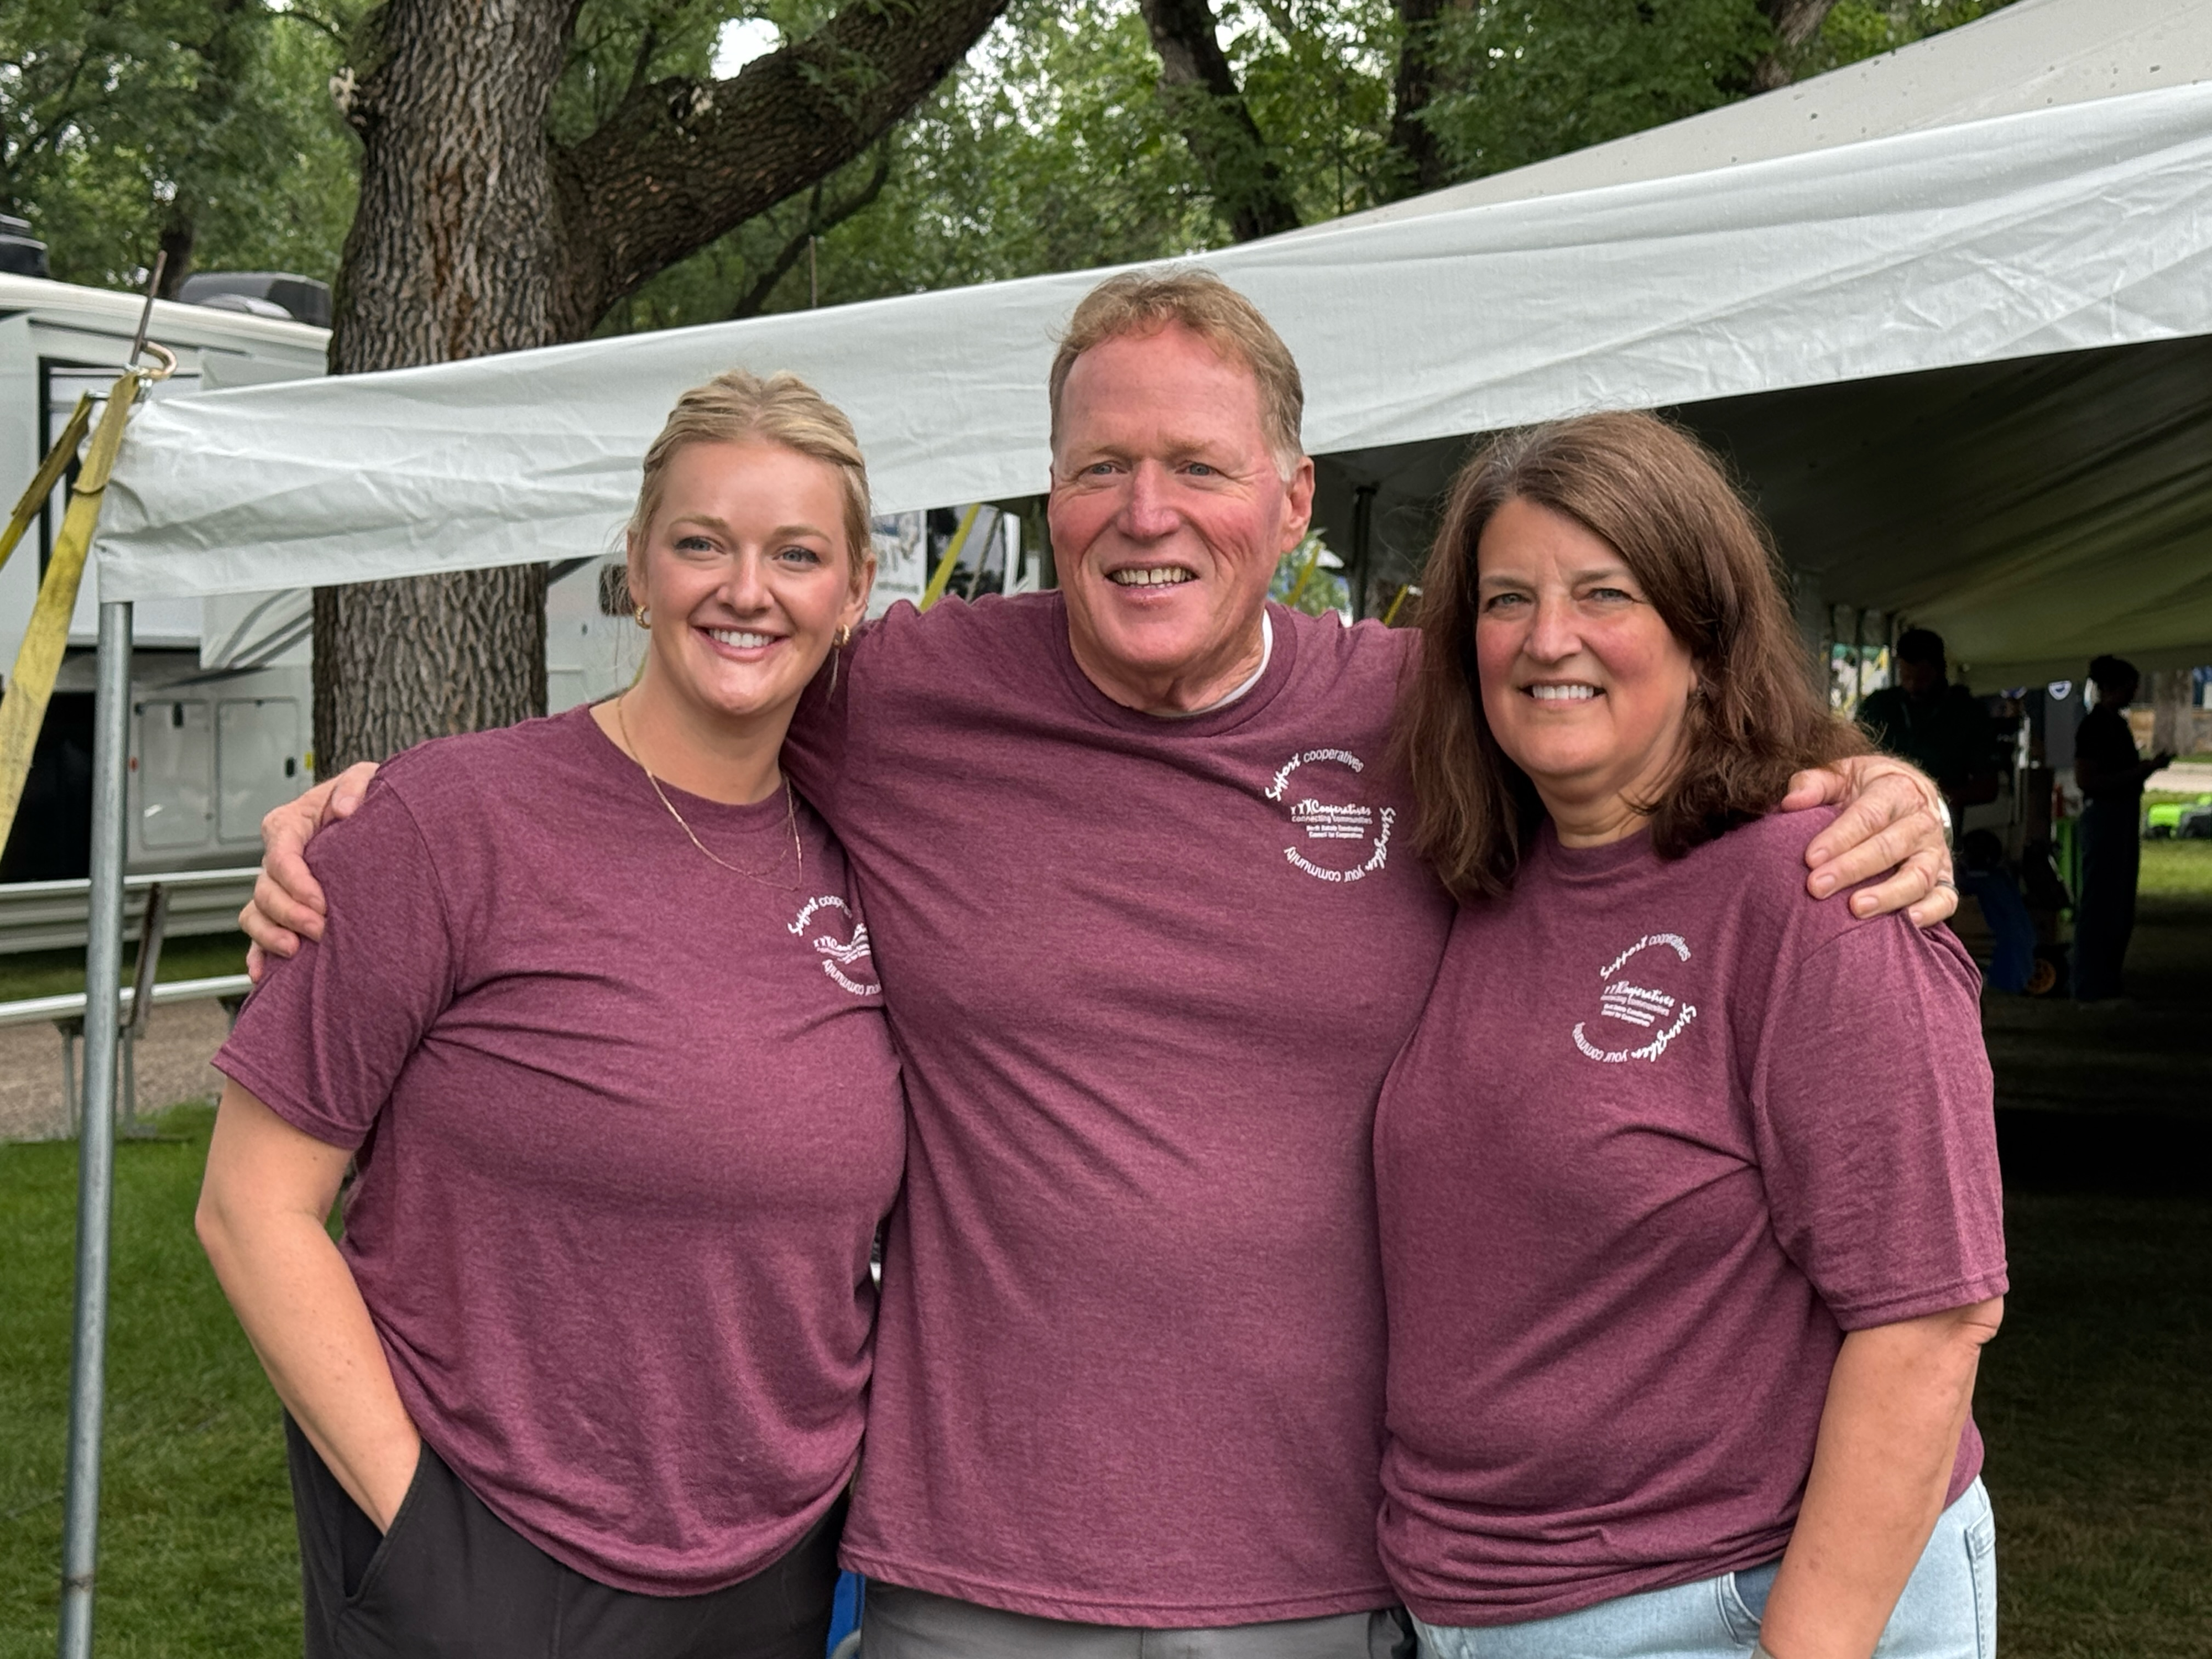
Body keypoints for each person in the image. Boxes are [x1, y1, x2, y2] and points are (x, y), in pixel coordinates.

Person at [242, 272, 1959, 1658]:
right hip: (960, 1566)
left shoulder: (1428, 708)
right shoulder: (905, 695)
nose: (1149, 515)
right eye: (1099, 468)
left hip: (1317, 1564)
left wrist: (1871, 778)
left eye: (1202, 468)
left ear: (1290, 500)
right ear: (1043, 493)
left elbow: (1649, 741)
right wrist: (377, 813)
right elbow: (694, 703)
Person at [195, 371, 906, 1659]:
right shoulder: (441, 825)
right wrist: (421, 1524)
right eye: (702, 543)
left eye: (796, 553)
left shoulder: (873, 847)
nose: (747, 589)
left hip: (779, 1565)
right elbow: (251, 1203)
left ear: (854, 590)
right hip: (489, 1553)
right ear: (636, 567)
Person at [1377, 413, 2006, 1659]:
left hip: (1729, 1605)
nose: (1546, 638)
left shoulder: (1819, 893)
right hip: (1468, 1608)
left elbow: (1930, 1322)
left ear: (1704, 639)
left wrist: (1803, 1644)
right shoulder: (1477, 881)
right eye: (1506, 600)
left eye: (1601, 593)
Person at [2070, 654, 2172, 1000]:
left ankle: (2105, 980)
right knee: (2101, 901)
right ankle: (2089, 983)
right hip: (2106, 815)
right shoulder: (2097, 727)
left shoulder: (2113, 723)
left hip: (2118, 813)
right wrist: (2142, 771)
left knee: (2117, 901)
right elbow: (2089, 779)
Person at [1855, 628, 1997, 825]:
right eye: (1906, 678)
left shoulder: (1966, 713)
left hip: (1939, 820)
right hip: (1878, 814)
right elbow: (1851, 758)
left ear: (1940, 670)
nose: (1913, 687)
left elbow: (1987, 787)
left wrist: (1931, 797)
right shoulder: (1879, 706)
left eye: (1922, 680)